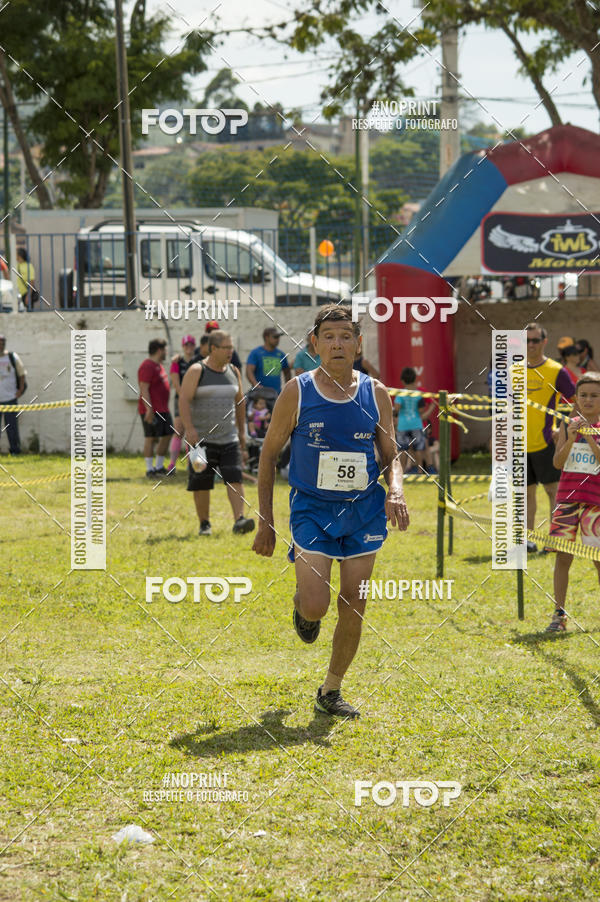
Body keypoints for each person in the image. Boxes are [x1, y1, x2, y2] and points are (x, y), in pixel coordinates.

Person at [252, 304, 409, 719]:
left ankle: (330, 690)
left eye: (346, 336)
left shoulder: (375, 393)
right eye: (329, 337)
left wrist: (396, 490)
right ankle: (303, 604)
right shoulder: (297, 392)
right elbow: (267, 458)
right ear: (314, 344)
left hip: (364, 511)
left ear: (358, 344)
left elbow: (392, 455)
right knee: (317, 606)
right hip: (312, 510)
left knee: (354, 603)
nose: (338, 343)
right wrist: (264, 523)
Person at [179, 330, 255, 536]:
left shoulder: (234, 371)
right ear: (213, 349)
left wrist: (242, 434)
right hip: (200, 439)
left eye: (232, 347)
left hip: (229, 437)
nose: (231, 351)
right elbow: (184, 399)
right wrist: (190, 429)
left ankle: (239, 520)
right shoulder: (197, 370)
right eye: (226, 347)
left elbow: (240, 403)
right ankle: (204, 524)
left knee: (234, 476)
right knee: (201, 481)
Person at [546, 372, 600, 632]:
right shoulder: (569, 425)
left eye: (594, 395)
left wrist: (589, 435)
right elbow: (558, 463)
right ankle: (559, 614)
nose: (588, 400)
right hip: (566, 502)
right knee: (563, 558)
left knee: (598, 559)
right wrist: (570, 436)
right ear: (576, 399)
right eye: (583, 395)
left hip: (595, 505)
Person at [525, 323, 574, 553]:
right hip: (519, 443)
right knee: (526, 494)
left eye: (535, 340)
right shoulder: (514, 370)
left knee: (552, 492)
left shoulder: (556, 370)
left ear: (544, 342)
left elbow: (576, 402)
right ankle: (528, 540)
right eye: (527, 340)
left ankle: (554, 541)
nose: (531, 345)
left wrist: (562, 431)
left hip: (546, 442)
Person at [138, 338, 173, 478]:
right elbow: (144, 389)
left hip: (163, 409)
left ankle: (159, 467)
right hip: (152, 410)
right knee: (150, 438)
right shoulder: (147, 366)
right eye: (164, 350)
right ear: (159, 350)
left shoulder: (159, 365)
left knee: (167, 435)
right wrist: (149, 409)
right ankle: (149, 469)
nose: (166, 353)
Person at [393, 367, 435, 474]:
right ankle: (420, 471)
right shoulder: (418, 393)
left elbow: (397, 408)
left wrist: (394, 414)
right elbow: (421, 410)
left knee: (402, 449)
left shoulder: (401, 393)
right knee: (418, 449)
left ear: (402, 380)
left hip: (403, 425)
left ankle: (401, 472)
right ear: (415, 379)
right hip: (416, 423)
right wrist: (424, 415)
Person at [168, 335, 197, 473]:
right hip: (181, 400)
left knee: (192, 432)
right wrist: (184, 398)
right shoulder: (177, 362)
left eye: (191, 345)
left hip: (196, 400)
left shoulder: (198, 360)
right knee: (179, 431)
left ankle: (191, 464)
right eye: (186, 345)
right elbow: (175, 382)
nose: (189, 347)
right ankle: (172, 464)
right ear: (183, 346)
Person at [246, 327, 291, 401]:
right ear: (266, 337)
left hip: (276, 395)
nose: (278, 340)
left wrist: (287, 389)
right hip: (260, 396)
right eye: (275, 337)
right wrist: (255, 385)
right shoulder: (256, 353)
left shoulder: (281, 354)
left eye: (278, 337)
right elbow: (249, 371)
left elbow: (287, 372)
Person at [0, 334, 25, 453]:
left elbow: (22, 374)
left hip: (10, 398)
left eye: (2, 342)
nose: (1, 344)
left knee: (12, 427)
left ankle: (15, 450)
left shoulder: (12, 357)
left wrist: (20, 390)